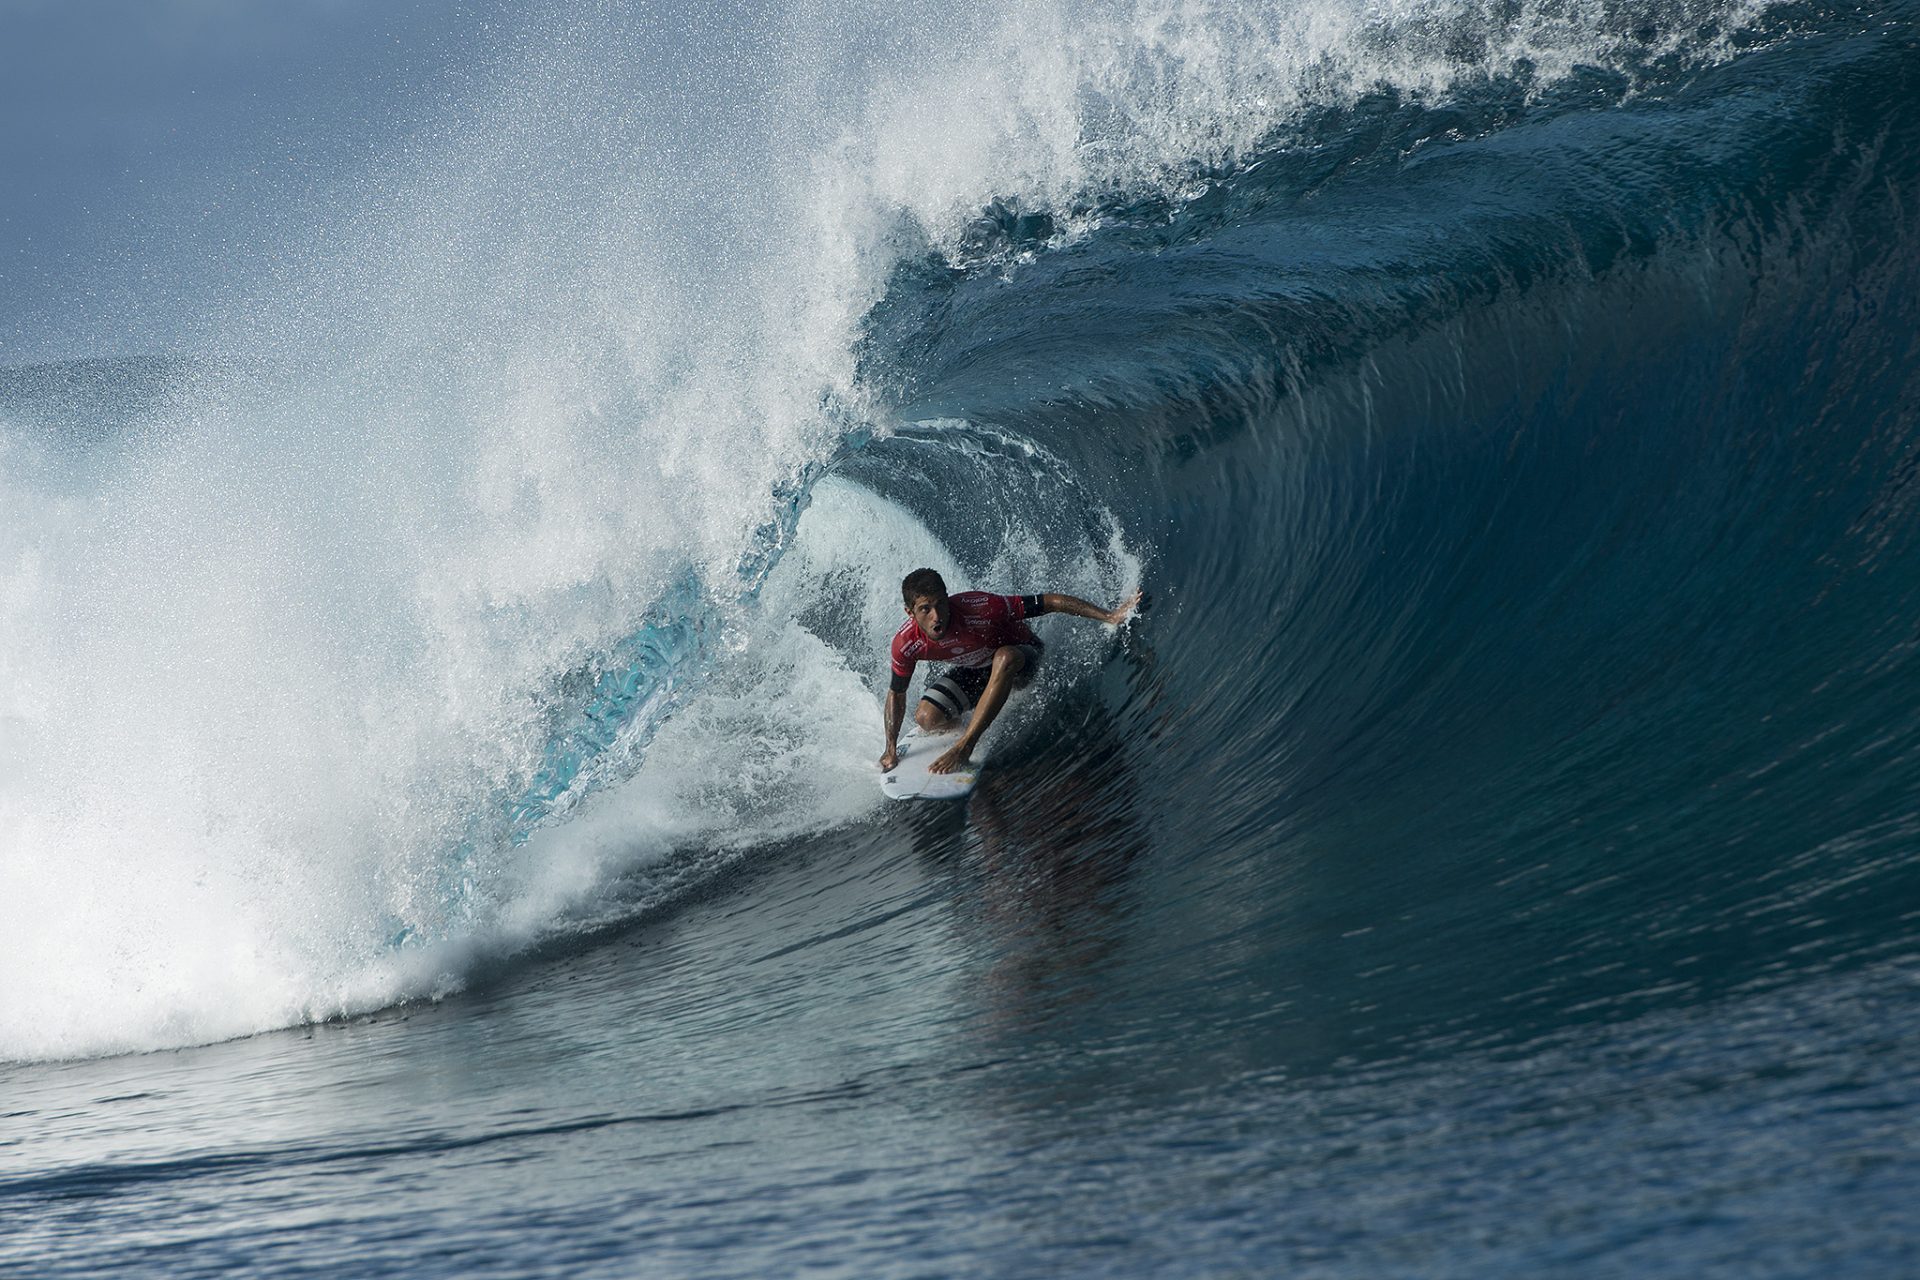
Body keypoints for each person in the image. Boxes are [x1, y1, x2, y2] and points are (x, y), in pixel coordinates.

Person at [879, 567, 1144, 775]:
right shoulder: (906, 644)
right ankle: (972, 719)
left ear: (948, 600)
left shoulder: (979, 607)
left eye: (940, 604)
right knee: (926, 718)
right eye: (925, 609)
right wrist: (890, 748)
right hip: (977, 669)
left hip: (1021, 659)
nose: (936, 616)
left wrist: (1109, 616)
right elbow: (897, 693)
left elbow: (1050, 602)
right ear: (910, 613)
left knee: (1004, 657)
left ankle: (966, 745)